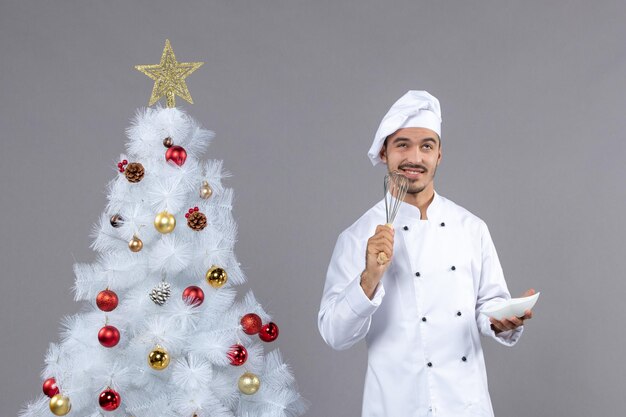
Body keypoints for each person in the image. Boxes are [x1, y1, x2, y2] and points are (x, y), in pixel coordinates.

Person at [318, 90, 534, 417]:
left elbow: (488, 305)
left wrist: (503, 320)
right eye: (402, 144)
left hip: (466, 404)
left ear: (439, 155)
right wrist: (368, 280)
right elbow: (334, 334)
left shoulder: (471, 228)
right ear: (384, 152)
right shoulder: (357, 236)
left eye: (426, 146)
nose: (415, 158)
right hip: (395, 405)